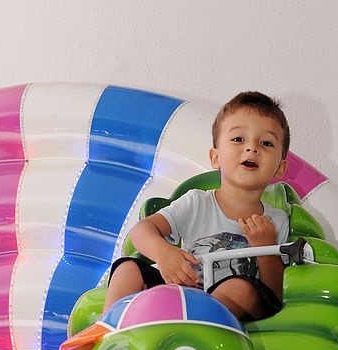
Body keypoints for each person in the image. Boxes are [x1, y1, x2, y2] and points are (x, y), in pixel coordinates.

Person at [104, 91, 290, 321]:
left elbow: (275, 292)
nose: (252, 148)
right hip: (185, 294)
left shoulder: (277, 220)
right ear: (215, 157)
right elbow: (141, 231)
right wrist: (164, 254)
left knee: (238, 289)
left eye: (266, 143)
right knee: (127, 269)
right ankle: (108, 330)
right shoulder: (196, 203)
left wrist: (266, 247)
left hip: (233, 310)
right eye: (238, 139)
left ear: (280, 168)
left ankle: (196, 329)